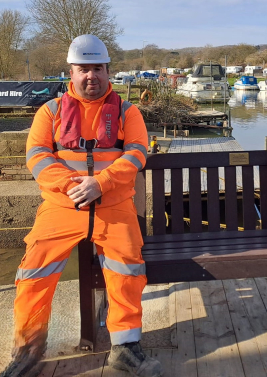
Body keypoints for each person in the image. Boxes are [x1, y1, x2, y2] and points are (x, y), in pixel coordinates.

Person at [1, 35, 163, 377]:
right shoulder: (51, 111)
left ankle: (125, 347)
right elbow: (37, 156)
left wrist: (101, 183)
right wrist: (71, 185)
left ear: (108, 72)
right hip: (62, 207)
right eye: (84, 69)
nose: (91, 76)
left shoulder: (127, 111)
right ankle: (28, 348)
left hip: (114, 207)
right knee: (33, 270)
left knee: (127, 270)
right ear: (71, 73)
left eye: (98, 69)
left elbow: (136, 153)